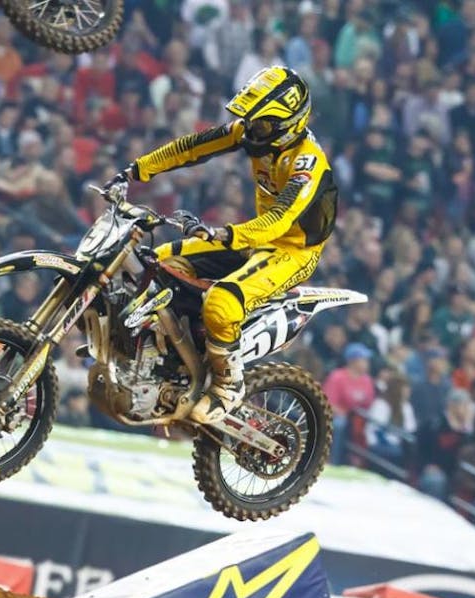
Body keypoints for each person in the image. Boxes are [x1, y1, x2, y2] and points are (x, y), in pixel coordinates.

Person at [104, 66, 337, 424]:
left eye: (260, 124)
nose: (250, 129)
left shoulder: (308, 165)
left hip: (292, 251)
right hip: (253, 238)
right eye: (251, 120)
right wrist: (136, 170)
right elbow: (193, 147)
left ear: (286, 124)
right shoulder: (255, 133)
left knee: (222, 302)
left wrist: (225, 234)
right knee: (156, 262)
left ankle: (228, 385)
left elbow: (279, 220)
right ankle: (173, 356)